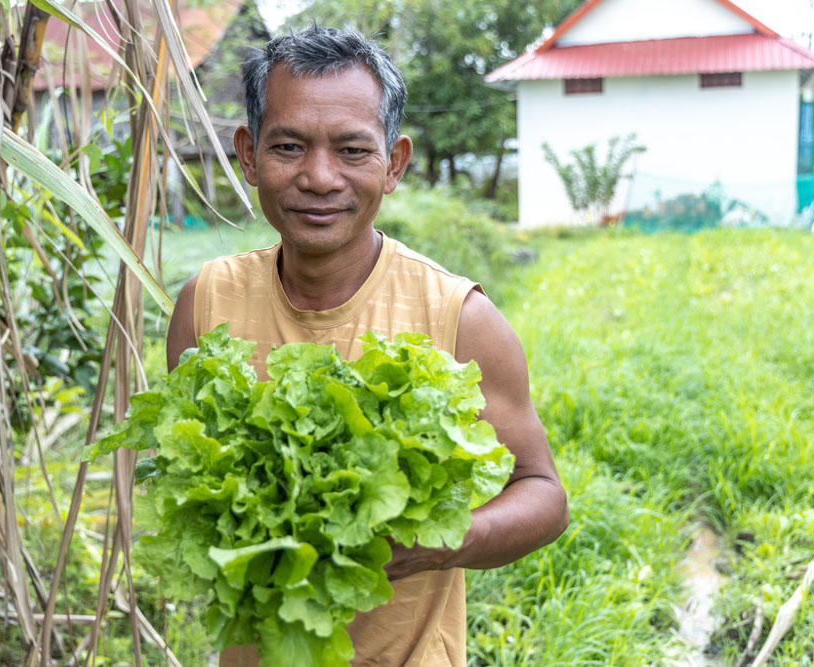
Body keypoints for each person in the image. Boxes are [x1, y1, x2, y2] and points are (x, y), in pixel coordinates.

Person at [165, 26, 568, 667]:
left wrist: (446, 540)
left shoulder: (460, 316)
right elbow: (192, 476)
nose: (319, 177)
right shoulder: (206, 303)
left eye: (353, 150)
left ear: (395, 163)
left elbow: (543, 493)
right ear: (247, 155)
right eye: (289, 146)